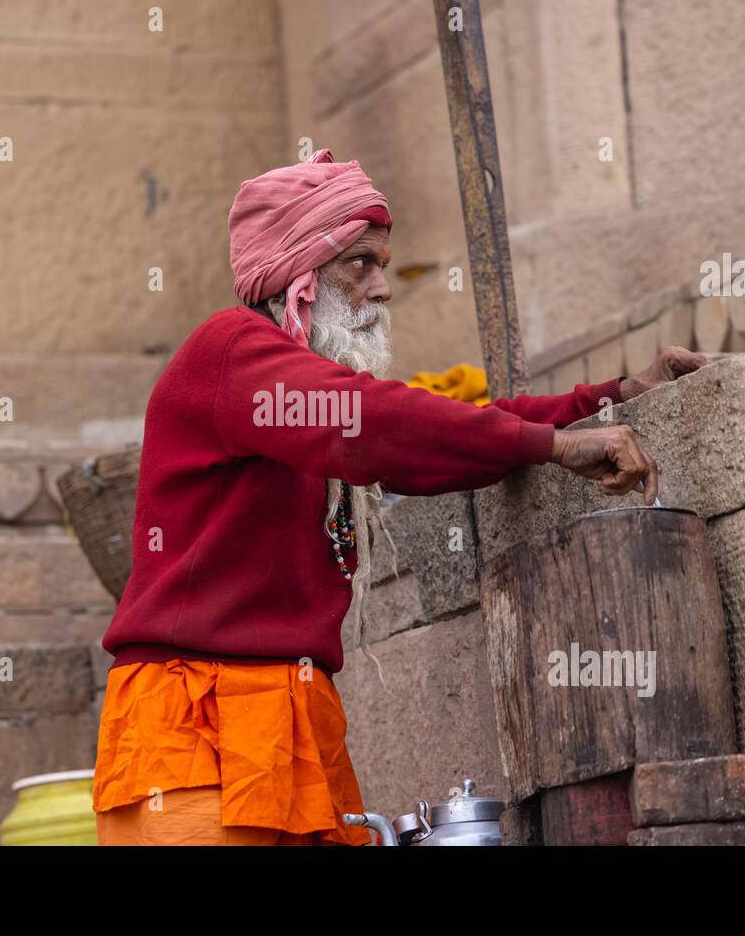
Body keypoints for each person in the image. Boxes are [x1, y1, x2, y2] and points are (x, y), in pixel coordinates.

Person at [91, 149, 706, 845]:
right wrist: (556, 447)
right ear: (300, 276)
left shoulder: (307, 387)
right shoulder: (229, 349)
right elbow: (380, 425)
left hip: (288, 730)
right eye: (361, 264)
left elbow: (432, 425)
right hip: (195, 736)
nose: (382, 288)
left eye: (382, 264)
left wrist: (606, 399)